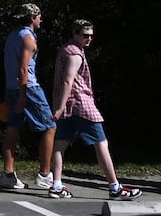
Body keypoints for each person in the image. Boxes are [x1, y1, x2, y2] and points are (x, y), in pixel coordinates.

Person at [47, 19, 141, 201]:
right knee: (101, 143)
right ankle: (115, 187)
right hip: (80, 104)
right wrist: (59, 108)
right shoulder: (75, 54)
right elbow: (68, 80)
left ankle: (56, 186)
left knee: (60, 145)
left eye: (91, 36)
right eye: (85, 35)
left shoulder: (66, 50)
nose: (89, 39)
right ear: (74, 33)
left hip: (67, 106)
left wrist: (60, 107)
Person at [0, 2, 56, 190]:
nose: (41, 19)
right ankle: (45, 174)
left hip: (11, 87)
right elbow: (24, 68)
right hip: (28, 87)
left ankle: (8, 174)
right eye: (39, 16)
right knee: (50, 126)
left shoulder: (12, 35)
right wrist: (24, 95)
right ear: (32, 18)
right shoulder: (28, 38)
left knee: (13, 127)